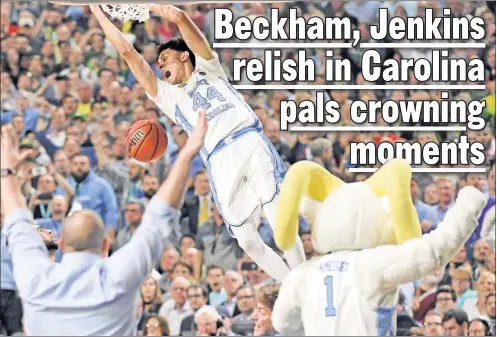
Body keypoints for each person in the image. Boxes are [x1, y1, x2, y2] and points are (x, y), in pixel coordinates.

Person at [89, 4, 305, 282]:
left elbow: (179, 17)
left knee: (278, 220)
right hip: (218, 160)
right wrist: (96, 10)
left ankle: (303, 283)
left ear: (184, 56)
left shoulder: (209, 67)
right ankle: (290, 284)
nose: (161, 65)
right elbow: (127, 52)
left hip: (247, 140)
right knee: (248, 241)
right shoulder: (167, 96)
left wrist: (150, 6)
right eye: (159, 63)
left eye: (165, 58)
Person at [0, 111, 208, 335]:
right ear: (104, 246)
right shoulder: (117, 276)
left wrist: (7, 171)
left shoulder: (35, 278)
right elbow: (158, 218)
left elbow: (16, 220)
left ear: (61, 244)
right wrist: (187, 154)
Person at [271, 159, 489, 335]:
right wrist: (467, 209)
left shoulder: (303, 274)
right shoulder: (374, 262)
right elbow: (433, 251)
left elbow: (283, 323)